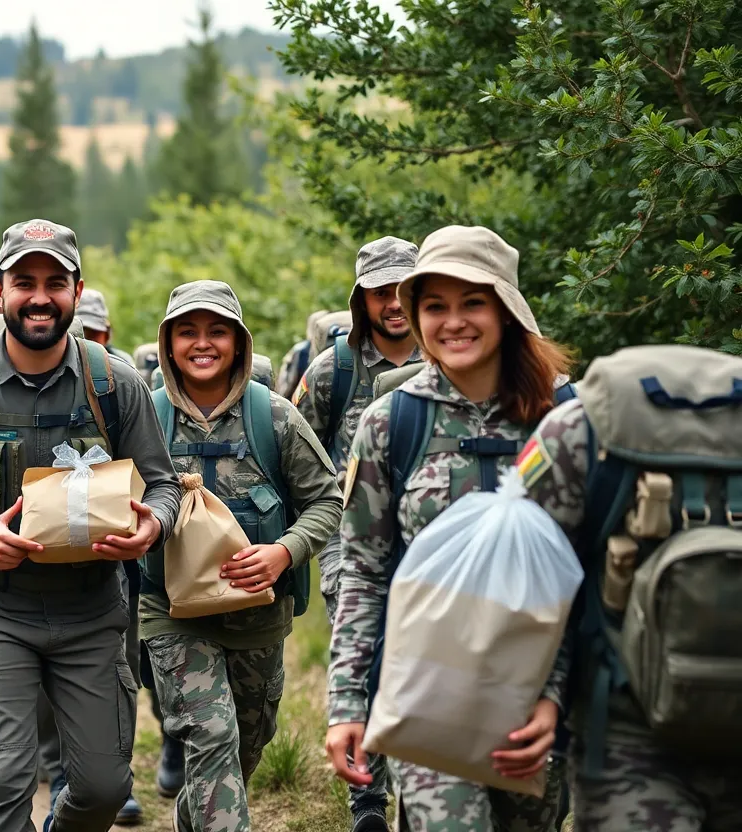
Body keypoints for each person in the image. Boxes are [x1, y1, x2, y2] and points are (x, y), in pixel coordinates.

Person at [0, 218, 182, 832]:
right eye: (24, 282)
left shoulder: (116, 384)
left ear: (78, 291)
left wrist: (153, 524)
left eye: (54, 283)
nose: (39, 297)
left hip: (93, 612)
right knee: (5, 788)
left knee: (103, 790)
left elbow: (165, 484)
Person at [326, 226, 572, 831]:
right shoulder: (392, 422)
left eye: (473, 302)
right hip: (429, 689)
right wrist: (347, 702)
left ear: (506, 309)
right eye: (435, 305)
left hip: (533, 693)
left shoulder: (563, 421)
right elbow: (364, 572)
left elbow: (587, 571)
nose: (453, 322)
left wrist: (555, 698)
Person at [515, 344, 742, 832]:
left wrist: (544, 694)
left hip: (622, 738)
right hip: (626, 733)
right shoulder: (585, 431)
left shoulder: (574, 432)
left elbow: (532, 590)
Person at [141, 279, 341, 832]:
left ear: (239, 343)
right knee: (212, 734)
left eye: (218, 331)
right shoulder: (145, 419)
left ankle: (194, 818)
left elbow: (327, 500)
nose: (203, 343)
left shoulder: (274, 417)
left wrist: (284, 552)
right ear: (168, 343)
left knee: (247, 743)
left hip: (258, 613)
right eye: (187, 331)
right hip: (172, 612)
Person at [293, 236, 423, 831]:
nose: (392, 303)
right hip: (351, 538)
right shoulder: (334, 370)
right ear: (360, 300)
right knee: (364, 654)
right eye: (379, 292)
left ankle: (421, 792)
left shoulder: (448, 358)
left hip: (429, 536)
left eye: (402, 290)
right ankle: (369, 798)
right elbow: (298, 452)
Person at [39, 283, 146, 825]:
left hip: (108, 574)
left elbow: (156, 476)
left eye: (99, 333)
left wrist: (152, 523)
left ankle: (89, 779)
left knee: (115, 676)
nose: (92, 341)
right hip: (16, 584)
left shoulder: (118, 384)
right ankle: (56, 770)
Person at [76, 287, 135, 366]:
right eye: (80, 332)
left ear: (106, 335)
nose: (86, 341)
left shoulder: (122, 363)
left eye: (93, 333)